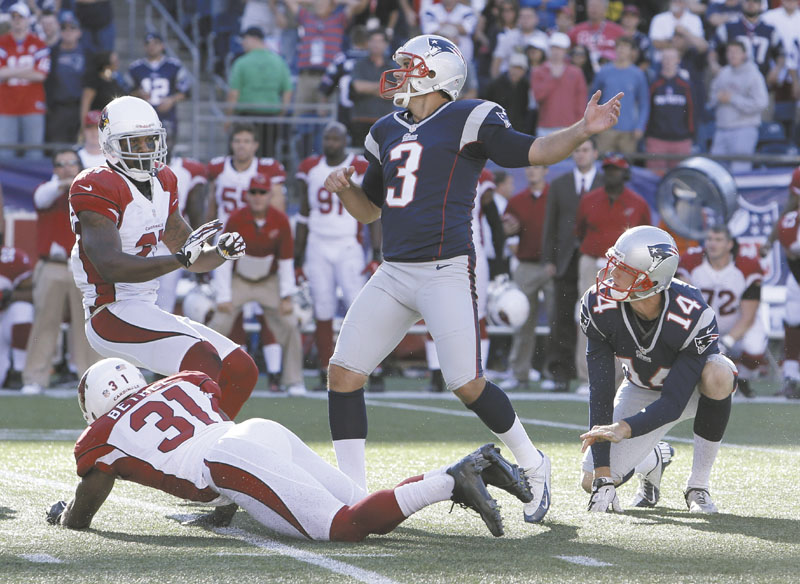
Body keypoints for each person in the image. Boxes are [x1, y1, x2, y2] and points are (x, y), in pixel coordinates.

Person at [322, 32, 624, 524]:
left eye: (409, 64)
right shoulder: (384, 129)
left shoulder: (469, 116)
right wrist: (346, 190)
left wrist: (582, 130)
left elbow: (536, 152)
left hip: (444, 268)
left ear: (436, 74)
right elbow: (370, 210)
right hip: (395, 269)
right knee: (343, 373)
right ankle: (353, 493)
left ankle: (534, 462)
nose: (399, 73)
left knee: (464, 383)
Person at [46, 358, 533, 539]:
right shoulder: (184, 382)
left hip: (227, 460)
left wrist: (69, 519)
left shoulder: (101, 434)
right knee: (355, 504)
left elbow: (94, 488)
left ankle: (453, 481)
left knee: (344, 527)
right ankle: (463, 468)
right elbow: (200, 429)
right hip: (257, 432)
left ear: (93, 404)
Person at [68, 95, 257, 423]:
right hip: (109, 311)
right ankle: (182, 452)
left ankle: (214, 451)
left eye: (150, 140)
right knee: (203, 359)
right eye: (135, 142)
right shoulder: (94, 184)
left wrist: (219, 253)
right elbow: (110, 265)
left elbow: (191, 255)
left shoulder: (165, 180)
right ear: (112, 145)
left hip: (144, 307)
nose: (145, 149)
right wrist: (180, 260)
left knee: (241, 369)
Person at [579, 226, 737, 514]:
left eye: (622, 268)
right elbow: (600, 389)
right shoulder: (598, 304)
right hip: (640, 387)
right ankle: (653, 459)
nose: (611, 274)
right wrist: (603, 474)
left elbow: (673, 403)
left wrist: (624, 429)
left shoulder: (691, 313)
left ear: (649, 280)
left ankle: (698, 486)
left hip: (690, 392)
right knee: (590, 481)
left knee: (719, 373)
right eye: (614, 263)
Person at [207, 173, 305, 395]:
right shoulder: (236, 219)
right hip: (239, 280)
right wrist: (224, 296)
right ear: (247, 195)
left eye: (262, 192)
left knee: (290, 323)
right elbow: (222, 259)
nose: (258, 196)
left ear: (270, 195)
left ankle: (294, 380)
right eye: (254, 192)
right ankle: (204, 376)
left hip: (268, 282)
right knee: (218, 322)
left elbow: (286, 261)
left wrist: (286, 296)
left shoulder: (280, 221)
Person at [294, 122, 372, 392]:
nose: (331, 142)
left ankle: (368, 367)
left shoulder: (358, 167)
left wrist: (377, 253)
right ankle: (326, 369)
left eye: (336, 138)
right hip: (317, 244)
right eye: (327, 137)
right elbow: (304, 214)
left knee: (357, 306)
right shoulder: (310, 168)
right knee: (322, 308)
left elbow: (373, 210)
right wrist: (297, 258)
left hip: (349, 244)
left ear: (345, 140)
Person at [21, 149, 100, 396]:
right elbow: (41, 199)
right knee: (44, 323)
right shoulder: (47, 189)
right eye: (61, 164)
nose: (66, 168)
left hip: (83, 266)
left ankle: (93, 378)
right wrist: (65, 183)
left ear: (80, 165)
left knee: (88, 325)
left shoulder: (89, 191)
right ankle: (35, 377)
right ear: (54, 168)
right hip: (52, 266)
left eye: (71, 163)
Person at [574, 154, 651, 394]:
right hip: (591, 262)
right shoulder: (589, 199)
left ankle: (621, 378)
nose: (611, 174)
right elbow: (579, 231)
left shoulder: (638, 203)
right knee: (586, 316)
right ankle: (586, 378)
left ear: (625, 174)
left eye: (616, 170)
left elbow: (645, 237)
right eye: (607, 170)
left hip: (624, 268)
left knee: (622, 319)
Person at [541, 139, 603, 392]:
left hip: (598, 259)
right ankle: (560, 373)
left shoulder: (607, 183)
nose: (581, 154)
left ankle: (596, 375)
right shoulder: (560, 184)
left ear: (595, 153)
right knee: (562, 315)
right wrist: (549, 259)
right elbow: (550, 224)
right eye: (576, 150)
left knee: (597, 317)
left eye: (585, 150)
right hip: (565, 259)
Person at [677, 226, 764, 398]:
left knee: (755, 346)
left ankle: (742, 378)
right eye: (709, 239)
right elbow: (684, 303)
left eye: (718, 240)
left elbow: (748, 316)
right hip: (701, 322)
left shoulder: (747, 266)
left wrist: (727, 341)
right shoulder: (691, 261)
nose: (712, 244)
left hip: (736, 323)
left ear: (730, 244)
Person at [498, 165, 552, 390]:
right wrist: (510, 233)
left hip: (552, 266)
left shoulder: (555, 195)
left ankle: (555, 373)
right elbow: (507, 234)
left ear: (546, 170)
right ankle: (519, 372)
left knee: (557, 321)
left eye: (537, 167)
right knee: (520, 320)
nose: (532, 172)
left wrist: (556, 261)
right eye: (529, 168)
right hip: (526, 265)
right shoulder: (517, 200)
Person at [225, 27, 292, 159]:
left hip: (246, 117)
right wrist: (281, 113)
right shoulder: (279, 61)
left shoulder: (242, 62)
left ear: (253, 39)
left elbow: (234, 93)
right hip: (270, 117)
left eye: (245, 39)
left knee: (240, 156)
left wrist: (228, 118)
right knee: (266, 157)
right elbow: (288, 91)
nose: (243, 43)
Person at [206, 123, 287, 226]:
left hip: (255, 234)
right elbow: (211, 210)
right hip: (224, 235)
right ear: (231, 144)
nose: (241, 145)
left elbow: (278, 211)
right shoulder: (218, 167)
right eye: (237, 141)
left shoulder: (268, 169)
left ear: (255, 145)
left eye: (246, 141)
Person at [708, 39, 769, 173]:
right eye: (729, 51)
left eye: (736, 52)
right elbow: (711, 98)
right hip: (722, 128)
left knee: (740, 171)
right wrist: (718, 98)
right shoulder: (723, 73)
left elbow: (761, 103)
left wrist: (733, 99)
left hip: (744, 129)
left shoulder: (754, 74)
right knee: (715, 171)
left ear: (744, 54)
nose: (732, 55)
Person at [0, 2, 49, 159]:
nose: (17, 20)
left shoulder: (38, 44)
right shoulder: (2, 42)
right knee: (5, 154)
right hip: (6, 106)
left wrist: (10, 71)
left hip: (32, 105)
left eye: (20, 17)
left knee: (34, 153)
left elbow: (41, 75)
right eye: (14, 17)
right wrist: (28, 70)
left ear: (28, 19)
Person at [126, 32, 191, 142]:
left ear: (162, 45)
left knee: (167, 150)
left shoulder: (174, 66)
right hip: (142, 118)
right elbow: (125, 92)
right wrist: (138, 94)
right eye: (148, 43)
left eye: (155, 43)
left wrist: (171, 100)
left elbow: (186, 91)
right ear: (144, 46)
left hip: (167, 116)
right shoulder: (135, 67)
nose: (152, 46)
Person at [590, 37, 650, 156]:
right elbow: (593, 99)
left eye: (626, 47)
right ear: (615, 49)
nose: (622, 50)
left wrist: (640, 126)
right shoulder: (604, 72)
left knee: (627, 166)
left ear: (631, 52)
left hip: (629, 130)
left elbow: (644, 103)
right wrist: (593, 121)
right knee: (602, 164)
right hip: (605, 128)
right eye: (619, 47)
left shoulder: (638, 74)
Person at [644, 46, 695, 177]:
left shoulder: (685, 85)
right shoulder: (653, 84)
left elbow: (692, 111)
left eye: (671, 58)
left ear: (678, 60)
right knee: (654, 179)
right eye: (665, 58)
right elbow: (646, 109)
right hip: (657, 140)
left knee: (681, 179)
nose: (668, 61)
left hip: (681, 140)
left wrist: (690, 134)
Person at [44, 11, 90, 147]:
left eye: (72, 28)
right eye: (64, 28)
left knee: (81, 150)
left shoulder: (88, 54)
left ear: (79, 32)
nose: (68, 31)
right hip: (58, 109)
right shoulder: (51, 52)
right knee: (57, 149)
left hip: (81, 108)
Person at [530, 32, 587, 137]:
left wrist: (580, 125)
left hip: (570, 126)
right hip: (545, 126)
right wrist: (552, 77)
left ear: (566, 51)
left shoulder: (576, 72)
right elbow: (538, 97)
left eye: (560, 49)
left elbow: (580, 102)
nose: (556, 52)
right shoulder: (539, 71)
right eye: (554, 48)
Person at [349, 28, 397, 147]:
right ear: (368, 43)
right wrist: (383, 87)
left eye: (380, 41)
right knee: (360, 159)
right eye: (373, 40)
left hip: (385, 121)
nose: (376, 44)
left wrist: (369, 87)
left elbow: (396, 91)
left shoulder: (393, 67)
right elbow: (358, 87)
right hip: (361, 121)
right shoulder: (359, 65)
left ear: (386, 44)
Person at [0, 244, 33, 388]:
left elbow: (33, 293)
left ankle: (19, 370)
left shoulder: (10, 258)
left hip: (5, 318)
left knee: (23, 310)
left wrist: (11, 296)